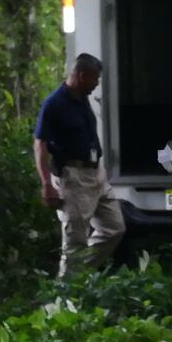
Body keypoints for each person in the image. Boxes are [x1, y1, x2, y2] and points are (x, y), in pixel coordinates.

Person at [33, 53, 125, 277]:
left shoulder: (82, 97)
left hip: (96, 174)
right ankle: (66, 299)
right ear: (82, 76)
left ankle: (79, 272)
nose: (97, 84)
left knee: (114, 228)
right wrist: (46, 184)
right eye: (95, 79)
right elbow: (40, 144)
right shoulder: (54, 104)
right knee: (75, 242)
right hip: (73, 177)